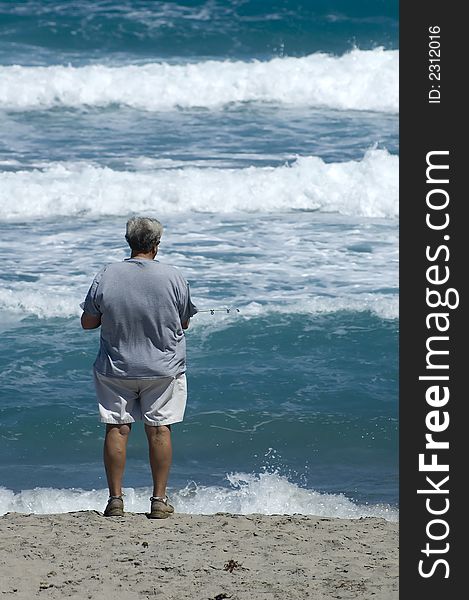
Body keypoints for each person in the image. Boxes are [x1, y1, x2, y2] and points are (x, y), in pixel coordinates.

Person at [80, 216, 197, 518]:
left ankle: (115, 500)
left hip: (116, 367)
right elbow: (184, 321)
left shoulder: (107, 274)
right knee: (159, 429)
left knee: (117, 428)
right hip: (163, 367)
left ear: (129, 242)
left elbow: (87, 322)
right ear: (156, 245)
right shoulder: (173, 276)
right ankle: (158, 501)